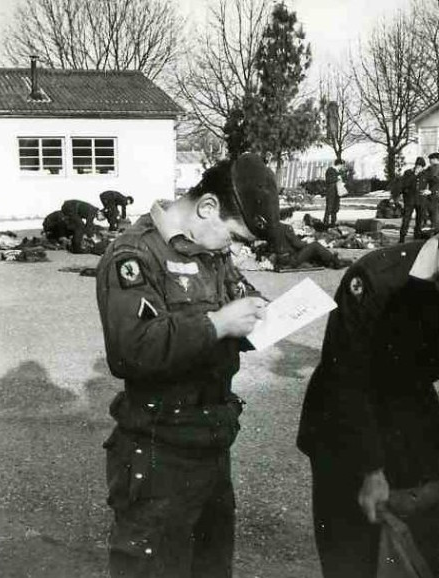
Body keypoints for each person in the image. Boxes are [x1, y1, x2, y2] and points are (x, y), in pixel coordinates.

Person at [96, 153, 280, 578]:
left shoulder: (209, 250)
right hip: (160, 450)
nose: (232, 247)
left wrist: (258, 316)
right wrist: (217, 324)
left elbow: (238, 299)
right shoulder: (135, 254)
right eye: (234, 234)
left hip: (211, 440)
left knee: (210, 567)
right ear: (208, 207)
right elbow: (130, 350)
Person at [297, 238, 439, 578]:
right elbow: (345, 378)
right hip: (344, 424)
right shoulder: (377, 275)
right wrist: (371, 469)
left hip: (412, 411)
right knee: (352, 553)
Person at [273, 221, 351, 271]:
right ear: (288, 217)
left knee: (312, 247)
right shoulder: (287, 228)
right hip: (290, 260)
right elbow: (298, 244)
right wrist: (307, 243)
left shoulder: (277, 227)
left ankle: (331, 260)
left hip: (282, 258)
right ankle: (336, 261)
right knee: (315, 245)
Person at [399, 156, 426, 243]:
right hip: (409, 199)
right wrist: (414, 174)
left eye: (420, 166)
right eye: (417, 166)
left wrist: (431, 191)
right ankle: (402, 237)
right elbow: (404, 184)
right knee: (406, 218)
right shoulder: (408, 173)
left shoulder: (426, 174)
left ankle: (417, 236)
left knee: (419, 219)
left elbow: (435, 182)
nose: (419, 168)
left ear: (423, 167)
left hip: (421, 200)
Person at [420, 152, 439, 233]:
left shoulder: (435, 169)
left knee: (434, 213)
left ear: (436, 159)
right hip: (432, 195)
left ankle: (436, 230)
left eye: (431, 159)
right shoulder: (430, 168)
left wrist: (431, 191)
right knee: (432, 213)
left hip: (435, 194)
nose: (429, 161)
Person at [323, 159, 346, 228]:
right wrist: (337, 178)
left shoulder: (338, 171)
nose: (342, 167)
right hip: (331, 192)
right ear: (339, 164)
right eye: (342, 165)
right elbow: (328, 180)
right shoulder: (330, 170)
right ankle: (326, 222)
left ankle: (333, 222)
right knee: (329, 207)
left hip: (337, 192)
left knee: (336, 207)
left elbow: (342, 179)